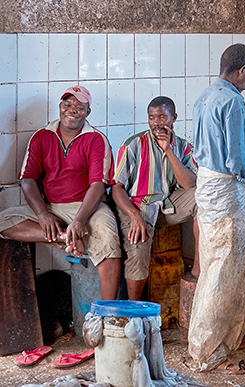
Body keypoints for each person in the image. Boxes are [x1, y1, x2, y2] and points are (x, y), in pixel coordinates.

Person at [186, 43, 245, 374]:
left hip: (207, 187)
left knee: (213, 266)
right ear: (242, 70)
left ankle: (219, 341)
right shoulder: (234, 102)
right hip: (226, 193)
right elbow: (236, 162)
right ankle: (209, 353)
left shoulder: (205, 96)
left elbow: (211, 147)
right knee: (222, 274)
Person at [0, 85, 122, 300]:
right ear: (60, 106)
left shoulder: (95, 139)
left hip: (88, 207)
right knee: (4, 220)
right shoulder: (42, 136)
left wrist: (79, 221)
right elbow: (27, 179)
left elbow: (98, 185)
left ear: (88, 112)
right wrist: (42, 214)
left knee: (110, 244)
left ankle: (107, 312)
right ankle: (66, 237)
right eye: (68, 104)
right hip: (52, 206)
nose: (72, 110)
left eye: (80, 107)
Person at [111, 96, 198, 301]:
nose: (157, 123)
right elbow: (116, 188)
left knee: (202, 196)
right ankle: (134, 310)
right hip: (136, 208)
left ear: (173, 118)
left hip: (165, 206)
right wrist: (134, 216)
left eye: (162, 117)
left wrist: (168, 150)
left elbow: (188, 184)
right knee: (139, 248)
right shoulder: (133, 145)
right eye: (152, 118)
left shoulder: (183, 147)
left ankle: (198, 271)